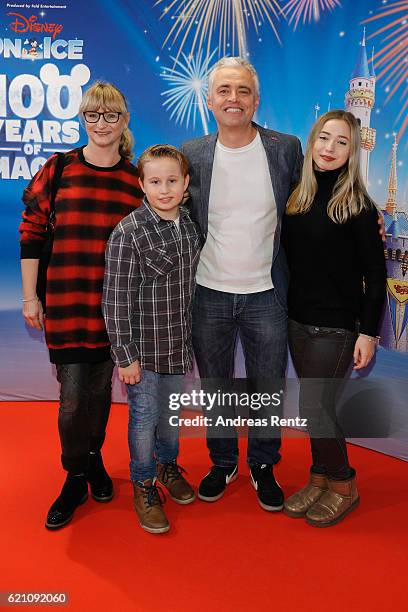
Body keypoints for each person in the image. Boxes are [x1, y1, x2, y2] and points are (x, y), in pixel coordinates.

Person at [19, 81, 143, 530]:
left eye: (111, 115)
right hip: (68, 302)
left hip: (115, 311)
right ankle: (75, 474)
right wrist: (31, 296)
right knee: (72, 400)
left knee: (98, 393)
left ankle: (93, 460)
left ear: (124, 120)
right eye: (94, 115)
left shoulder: (136, 180)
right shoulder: (59, 168)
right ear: (83, 118)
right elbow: (31, 232)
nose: (102, 124)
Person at [181, 56, 303, 511]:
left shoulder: (286, 148)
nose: (234, 99)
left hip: (268, 293)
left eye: (243, 91)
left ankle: (264, 464)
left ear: (256, 100)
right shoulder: (191, 153)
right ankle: (224, 460)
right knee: (216, 385)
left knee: (267, 385)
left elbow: (306, 208)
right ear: (210, 100)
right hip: (207, 291)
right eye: (225, 91)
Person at [282, 110, 386, 527]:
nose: (329, 148)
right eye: (324, 138)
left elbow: (376, 275)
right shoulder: (295, 195)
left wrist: (370, 334)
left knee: (316, 406)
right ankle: (320, 476)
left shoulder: (359, 207)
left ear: (353, 151)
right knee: (314, 406)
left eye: (341, 142)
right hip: (297, 321)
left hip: (338, 327)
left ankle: (343, 484)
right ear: (312, 141)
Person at [102, 145, 202, 534]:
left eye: (172, 181)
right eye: (156, 182)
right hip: (142, 355)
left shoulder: (190, 225)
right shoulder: (128, 233)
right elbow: (115, 301)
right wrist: (124, 356)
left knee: (171, 417)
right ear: (141, 184)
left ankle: (167, 465)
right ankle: (144, 483)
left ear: (186, 183)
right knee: (144, 420)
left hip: (178, 348)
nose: (165, 190)